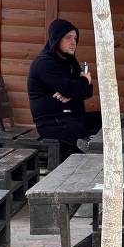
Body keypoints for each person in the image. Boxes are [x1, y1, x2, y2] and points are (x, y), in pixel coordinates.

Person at [27, 18, 101, 161]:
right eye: (68, 37)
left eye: (75, 38)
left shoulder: (69, 62)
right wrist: (85, 80)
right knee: (78, 131)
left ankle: (93, 156)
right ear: (56, 38)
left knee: (103, 119)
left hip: (70, 117)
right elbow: (75, 88)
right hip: (52, 123)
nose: (73, 42)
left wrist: (72, 93)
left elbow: (87, 92)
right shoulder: (45, 63)